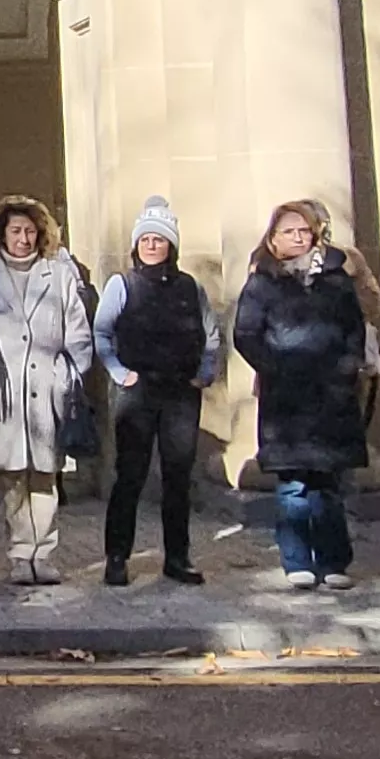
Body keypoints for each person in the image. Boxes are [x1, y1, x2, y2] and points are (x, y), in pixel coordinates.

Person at [235, 201, 368, 591]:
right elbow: (246, 334)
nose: (296, 237)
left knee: (327, 483)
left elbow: (353, 330)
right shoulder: (261, 283)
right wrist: (275, 368)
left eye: (302, 231)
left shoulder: (335, 280)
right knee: (292, 485)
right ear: (272, 240)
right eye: (287, 231)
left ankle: (334, 561)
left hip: (330, 395)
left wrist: (346, 368)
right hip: (285, 398)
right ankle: (297, 561)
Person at [94, 197, 218, 587]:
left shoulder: (189, 287)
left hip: (181, 392)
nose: (151, 245)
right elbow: (101, 332)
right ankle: (117, 557)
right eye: (145, 238)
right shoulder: (122, 285)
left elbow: (209, 333)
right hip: (138, 391)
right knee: (129, 475)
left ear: (171, 246)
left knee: (177, 477)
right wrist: (118, 372)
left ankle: (177, 557)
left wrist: (205, 373)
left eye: (159, 239)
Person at [0, 196, 92, 586]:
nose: (23, 238)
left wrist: (68, 374)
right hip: (3, 388)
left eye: (29, 231)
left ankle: (45, 552)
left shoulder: (57, 273)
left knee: (45, 475)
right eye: (15, 231)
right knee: (12, 476)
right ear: (1, 233)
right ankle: (20, 554)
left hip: (46, 385)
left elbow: (78, 331)